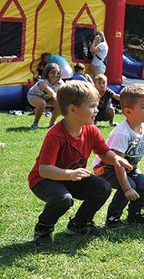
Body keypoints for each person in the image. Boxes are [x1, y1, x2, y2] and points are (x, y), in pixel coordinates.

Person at [29, 81, 132, 247]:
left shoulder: (91, 130)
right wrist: (69, 174)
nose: (97, 110)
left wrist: (116, 159)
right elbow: (44, 170)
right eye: (92, 106)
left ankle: (78, 224)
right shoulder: (56, 135)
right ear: (72, 110)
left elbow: (104, 152)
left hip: (71, 177)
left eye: (97, 105)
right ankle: (43, 229)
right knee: (63, 198)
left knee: (102, 187)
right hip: (44, 180)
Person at [92, 85, 144, 229]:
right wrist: (128, 188)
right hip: (105, 168)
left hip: (128, 168)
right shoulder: (122, 133)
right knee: (130, 186)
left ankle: (134, 214)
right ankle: (113, 218)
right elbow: (117, 163)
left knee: (143, 183)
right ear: (128, 111)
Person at [28, 63, 64, 130]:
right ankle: (35, 124)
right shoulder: (42, 81)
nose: (56, 75)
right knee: (42, 103)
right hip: (33, 96)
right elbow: (46, 88)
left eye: (58, 73)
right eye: (53, 72)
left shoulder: (60, 82)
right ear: (48, 73)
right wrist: (54, 95)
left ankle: (52, 124)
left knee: (60, 103)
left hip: (47, 98)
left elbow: (65, 90)